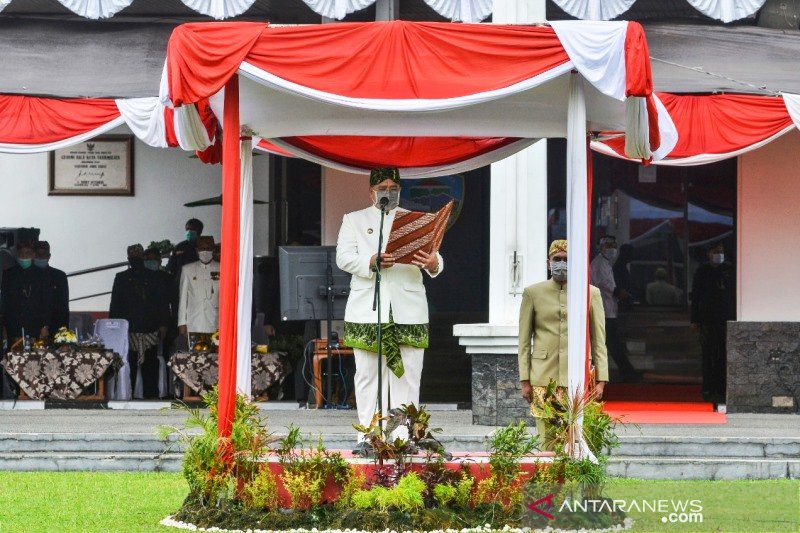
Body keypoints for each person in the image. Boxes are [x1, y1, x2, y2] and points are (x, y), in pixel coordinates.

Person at [336, 167, 443, 455]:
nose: (388, 191)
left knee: (407, 374)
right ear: (371, 191)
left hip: (408, 308)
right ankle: (368, 437)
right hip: (367, 309)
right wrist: (369, 261)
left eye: (394, 187)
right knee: (368, 374)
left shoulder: (415, 219)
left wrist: (433, 263)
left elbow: (435, 256)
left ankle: (401, 437)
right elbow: (343, 258)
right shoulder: (354, 220)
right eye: (382, 187)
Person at [518, 239, 608, 450]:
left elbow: (599, 339)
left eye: (566, 260)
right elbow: (523, 341)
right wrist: (524, 380)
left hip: (577, 374)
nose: (561, 263)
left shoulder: (590, 293)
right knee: (546, 438)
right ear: (548, 262)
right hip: (542, 375)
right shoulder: (532, 293)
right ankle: (548, 480)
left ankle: (572, 479)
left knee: (576, 436)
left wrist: (601, 379)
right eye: (556, 259)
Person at [109, 244, 170, 399]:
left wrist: (164, 324)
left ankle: (152, 396)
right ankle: (128, 396)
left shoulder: (155, 277)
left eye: (138, 255)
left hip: (151, 327)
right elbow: (115, 304)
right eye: (132, 256)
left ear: (142, 257)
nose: (135, 258)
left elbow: (162, 303)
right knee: (129, 364)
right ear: (128, 259)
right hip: (129, 329)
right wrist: (114, 328)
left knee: (151, 363)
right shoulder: (121, 277)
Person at [590, 236, 641, 382]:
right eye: (608, 245)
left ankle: (626, 371)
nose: (611, 248)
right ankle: (626, 372)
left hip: (609, 308)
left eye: (613, 245)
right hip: (603, 309)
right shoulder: (599, 264)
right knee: (612, 343)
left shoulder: (606, 263)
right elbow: (605, 285)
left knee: (612, 343)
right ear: (601, 247)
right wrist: (619, 293)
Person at [691, 243, 735, 402]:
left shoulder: (729, 270)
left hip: (726, 318)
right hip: (708, 318)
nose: (719, 254)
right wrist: (695, 319)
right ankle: (708, 387)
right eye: (716, 252)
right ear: (709, 254)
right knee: (708, 354)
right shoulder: (702, 272)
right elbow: (695, 296)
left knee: (723, 355)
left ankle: (722, 387)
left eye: (721, 252)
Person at [0, 240, 49, 343]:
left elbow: (46, 302)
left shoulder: (42, 274)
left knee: (35, 357)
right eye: (21, 253)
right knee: (14, 356)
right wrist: (3, 326)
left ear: (33, 254)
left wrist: (45, 325)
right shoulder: (9, 274)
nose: (24, 256)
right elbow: (4, 301)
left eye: (27, 253)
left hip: (36, 326)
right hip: (13, 326)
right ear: (17, 255)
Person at [177, 236, 220, 341]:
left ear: (213, 250)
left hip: (216, 321)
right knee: (195, 355)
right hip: (194, 322)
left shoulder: (222, 268)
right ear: (197, 250)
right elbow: (183, 298)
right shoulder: (187, 269)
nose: (205, 252)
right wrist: (182, 323)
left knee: (216, 355)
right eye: (202, 248)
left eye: (208, 248)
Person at [34, 241, 70, 333]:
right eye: (38, 254)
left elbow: (63, 306)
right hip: (31, 329)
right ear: (33, 255)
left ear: (49, 256)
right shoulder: (26, 276)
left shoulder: (59, 276)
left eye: (44, 255)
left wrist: (63, 332)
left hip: (55, 328)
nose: (41, 257)